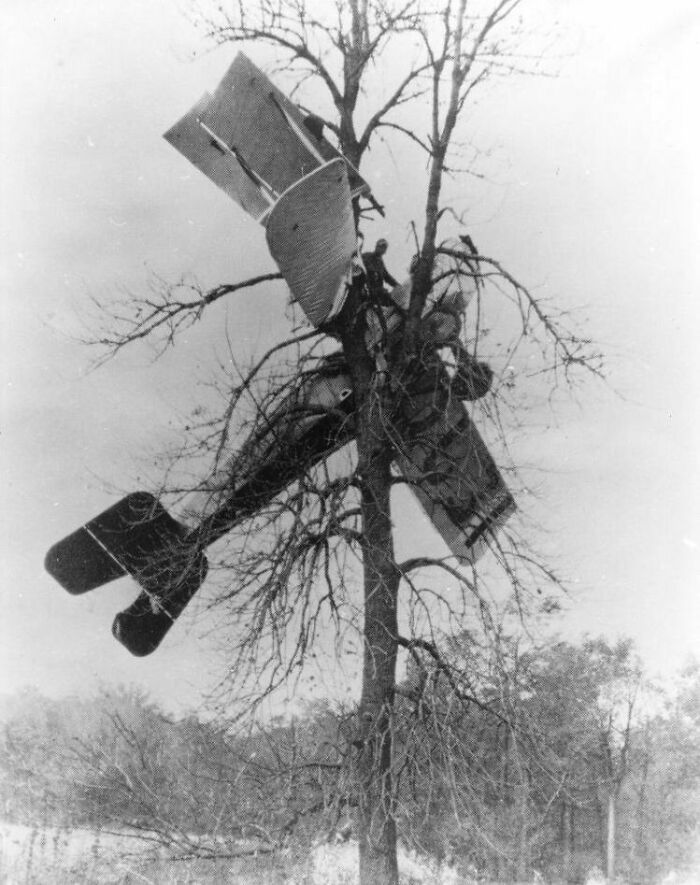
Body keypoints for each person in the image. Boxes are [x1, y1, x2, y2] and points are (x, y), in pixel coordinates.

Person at [361, 238, 398, 304]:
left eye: (384, 248)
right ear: (376, 246)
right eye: (380, 246)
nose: (382, 249)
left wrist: (398, 286)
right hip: (365, 290)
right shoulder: (366, 256)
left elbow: (387, 277)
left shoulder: (380, 263)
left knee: (392, 301)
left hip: (377, 293)